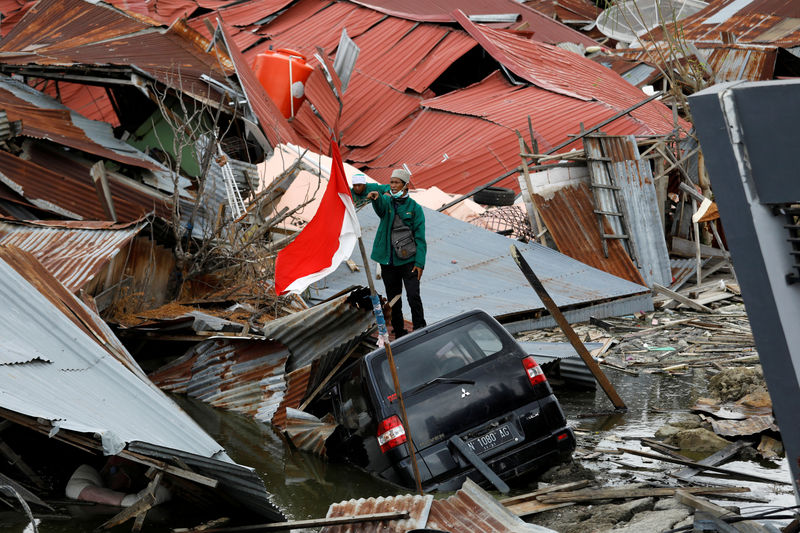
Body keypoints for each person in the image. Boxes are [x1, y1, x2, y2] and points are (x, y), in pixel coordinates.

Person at [366, 168, 426, 337]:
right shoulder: (387, 202)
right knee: (395, 299)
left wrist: (419, 263)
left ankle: (420, 328)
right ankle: (399, 332)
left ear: (405, 185)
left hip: (409, 261)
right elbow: (380, 209)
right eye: (391, 182)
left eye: (396, 182)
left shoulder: (415, 208)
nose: (392, 185)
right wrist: (376, 199)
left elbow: (420, 238)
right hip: (388, 262)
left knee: (413, 295)